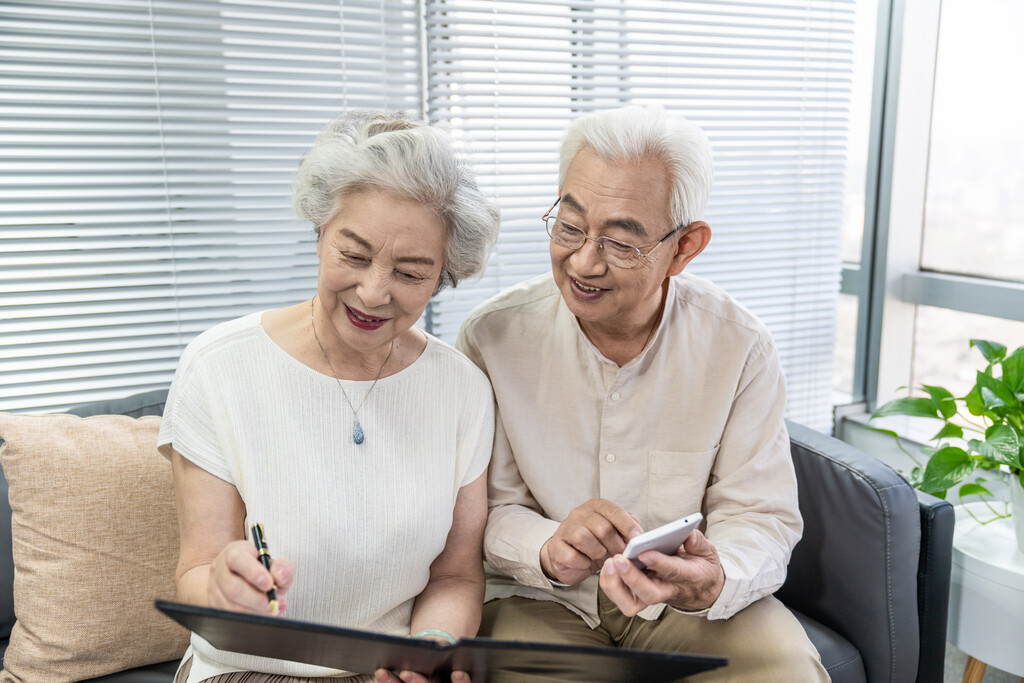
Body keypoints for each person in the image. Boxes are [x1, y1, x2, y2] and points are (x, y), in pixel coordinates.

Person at [456, 105, 830, 682]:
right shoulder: (493, 337)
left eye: (622, 242)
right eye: (570, 225)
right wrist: (548, 544)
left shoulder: (739, 345)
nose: (584, 261)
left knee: (786, 670)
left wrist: (716, 577)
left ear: (684, 248)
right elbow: (488, 509)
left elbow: (759, 511)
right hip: (542, 601)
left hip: (680, 606)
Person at [158, 110, 500, 683]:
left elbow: (455, 577)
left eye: (410, 273)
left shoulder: (461, 388)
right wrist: (220, 586)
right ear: (320, 233)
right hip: (247, 670)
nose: (373, 292)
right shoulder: (219, 367)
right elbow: (197, 565)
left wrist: (431, 650)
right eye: (355, 255)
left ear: (443, 277)